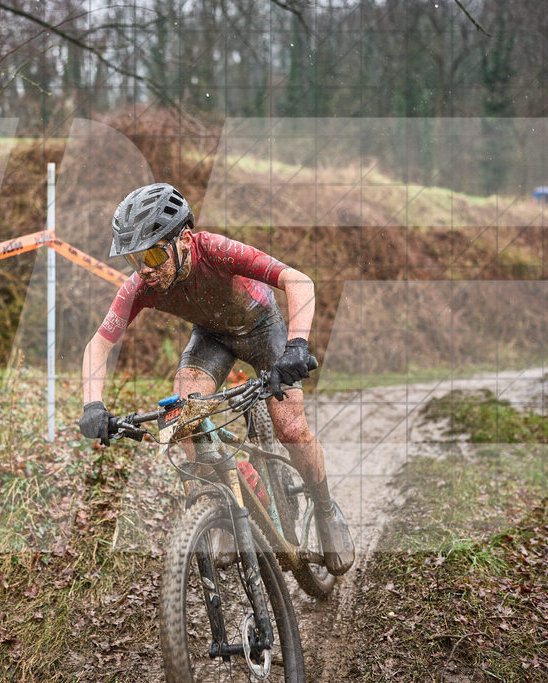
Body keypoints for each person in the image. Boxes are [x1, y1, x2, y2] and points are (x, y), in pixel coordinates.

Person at [79, 183, 354, 576]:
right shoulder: (142, 285)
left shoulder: (216, 250)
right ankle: (218, 506)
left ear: (185, 240)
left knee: (290, 427)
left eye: (155, 253)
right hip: (211, 339)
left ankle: (326, 511)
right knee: (186, 414)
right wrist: (93, 405)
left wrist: (296, 346)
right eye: (135, 259)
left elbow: (299, 281)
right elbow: (98, 345)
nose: (146, 269)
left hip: (263, 328)